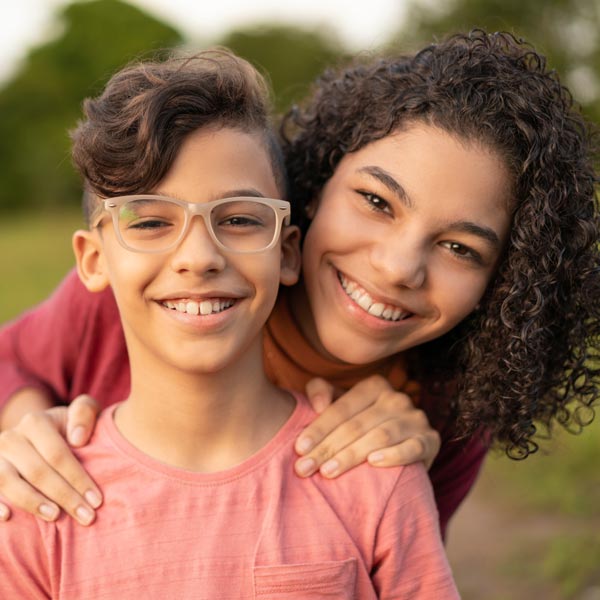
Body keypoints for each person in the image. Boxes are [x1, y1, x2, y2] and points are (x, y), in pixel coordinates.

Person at [0, 29, 598, 538]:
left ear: (505, 284)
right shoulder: (158, 294)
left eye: (459, 248)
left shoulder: (450, 413)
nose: (397, 268)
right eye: (375, 201)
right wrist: (25, 429)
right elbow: (11, 360)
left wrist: (405, 483)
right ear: (314, 188)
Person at [0, 49, 459, 599]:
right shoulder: (35, 507)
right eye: (149, 221)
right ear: (94, 261)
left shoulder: (380, 478)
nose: (199, 256)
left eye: (240, 219)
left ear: (288, 252)